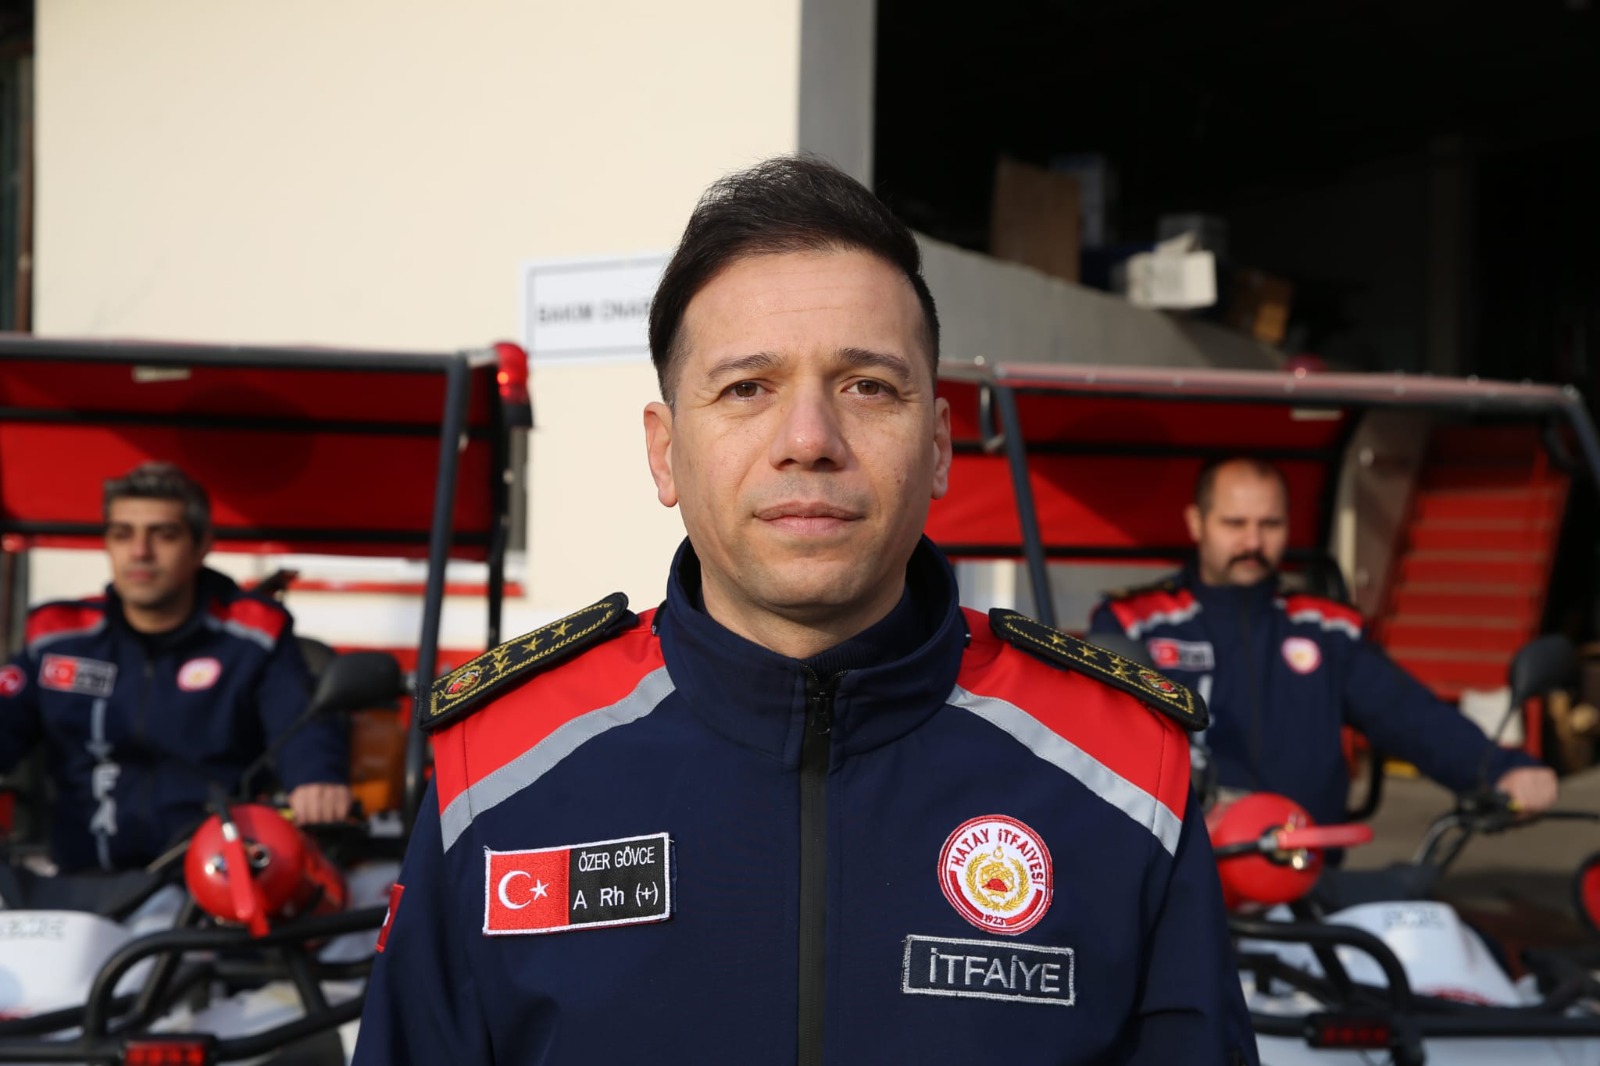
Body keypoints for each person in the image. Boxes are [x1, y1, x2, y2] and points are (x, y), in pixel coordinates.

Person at [354, 157, 1258, 1065]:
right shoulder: (495, 776)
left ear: (939, 447)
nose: (809, 441)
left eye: (868, 386)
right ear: (665, 453)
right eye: (747, 388)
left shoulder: (1125, 777)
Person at [1088, 456, 1559, 830]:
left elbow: (1413, 717)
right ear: (1197, 523)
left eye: (1270, 524)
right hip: (1179, 877)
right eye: (1235, 523)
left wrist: (1501, 770)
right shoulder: (1135, 622)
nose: (1253, 542)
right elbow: (1097, 751)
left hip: (1305, 873)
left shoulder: (1327, 629)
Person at [0, 461, 351, 873]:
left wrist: (315, 777)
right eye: (122, 534)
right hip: (74, 882)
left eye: (163, 535)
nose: (140, 552)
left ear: (201, 546)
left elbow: (301, 720)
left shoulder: (254, 637)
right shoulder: (58, 637)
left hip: (211, 885)